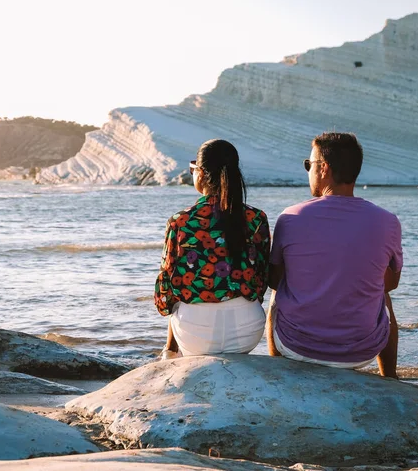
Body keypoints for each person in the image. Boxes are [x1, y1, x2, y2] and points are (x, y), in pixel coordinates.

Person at [266, 132, 403, 378]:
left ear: (323, 168)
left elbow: (274, 280)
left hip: (295, 348)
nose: (308, 171)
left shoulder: (290, 217)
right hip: (362, 352)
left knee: (277, 293)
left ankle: (279, 373)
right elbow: (391, 284)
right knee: (381, 293)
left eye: (309, 165)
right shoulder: (387, 221)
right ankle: (390, 377)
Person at [154, 138, 270, 358]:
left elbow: (166, 286)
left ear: (201, 173)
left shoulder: (180, 221)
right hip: (248, 331)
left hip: (195, 335)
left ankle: (170, 351)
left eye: (193, 169)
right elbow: (262, 278)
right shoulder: (256, 218)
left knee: (178, 285)